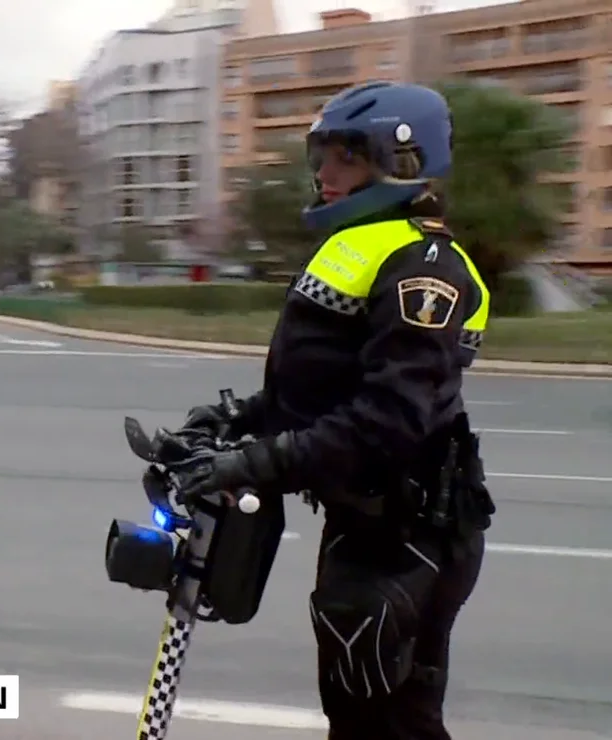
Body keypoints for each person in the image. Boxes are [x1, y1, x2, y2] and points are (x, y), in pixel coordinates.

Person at [171, 81, 496, 740]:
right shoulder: (362, 245)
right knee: (355, 715)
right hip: (364, 522)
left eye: (346, 157)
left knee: (392, 723)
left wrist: (258, 462)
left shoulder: (421, 266)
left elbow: (388, 419)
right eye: (321, 157)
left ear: (403, 160)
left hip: (410, 534)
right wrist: (240, 421)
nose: (324, 174)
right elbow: (321, 391)